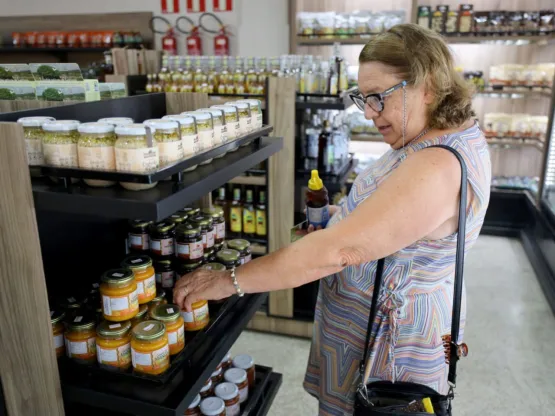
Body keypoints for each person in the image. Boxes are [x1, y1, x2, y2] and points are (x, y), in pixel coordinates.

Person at [174, 24, 491, 415]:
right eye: (363, 98)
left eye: (379, 98)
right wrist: (342, 217)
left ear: (426, 84)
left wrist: (228, 281)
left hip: (390, 349)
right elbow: (397, 224)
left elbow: (342, 250)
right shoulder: (427, 137)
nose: (371, 113)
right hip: (370, 328)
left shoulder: (437, 164)